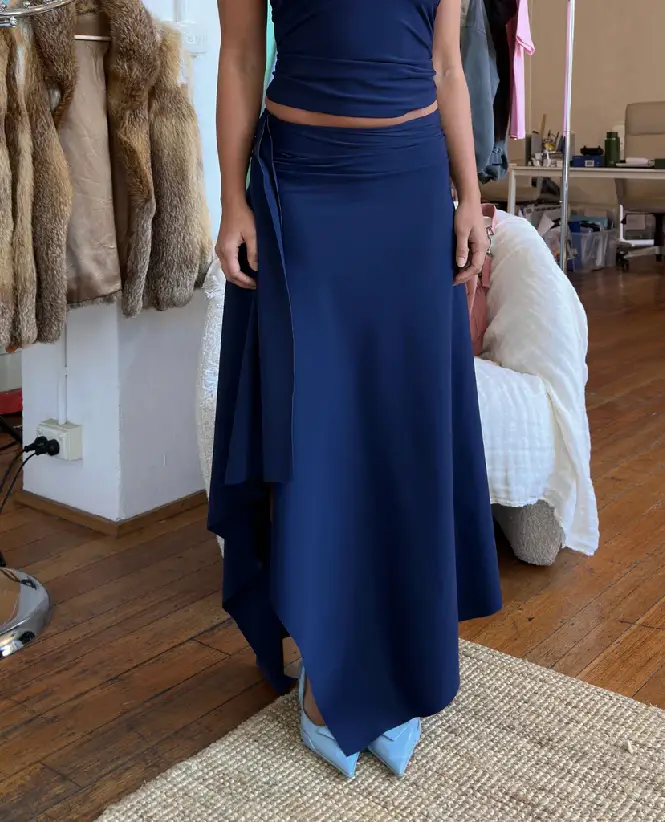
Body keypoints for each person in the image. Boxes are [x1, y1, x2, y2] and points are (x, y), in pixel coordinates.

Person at [209, 0, 503, 779]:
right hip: (302, 186)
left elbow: (447, 65)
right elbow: (239, 56)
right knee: (317, 430)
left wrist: (466, 195)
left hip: (410, 190)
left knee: (404, 430)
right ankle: (324, 664)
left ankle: (406, 664)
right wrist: (233, 200)